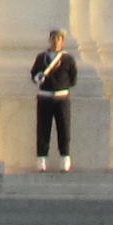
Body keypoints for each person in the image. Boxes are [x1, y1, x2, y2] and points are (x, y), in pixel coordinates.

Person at [30, 29, 77, 169]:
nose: (56, 42)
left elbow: (73, 79)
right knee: (43, 128)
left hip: (62, 98)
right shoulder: (41, 58)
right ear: (50, 40)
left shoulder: (67, 59)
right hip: (44, 97)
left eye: (59, 39)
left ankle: (65, 157)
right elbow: (34, 74)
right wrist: (38, 78)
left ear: (62, 41)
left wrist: (61, 85)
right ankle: (42, 158)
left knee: (64, 128)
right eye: (54, 38)